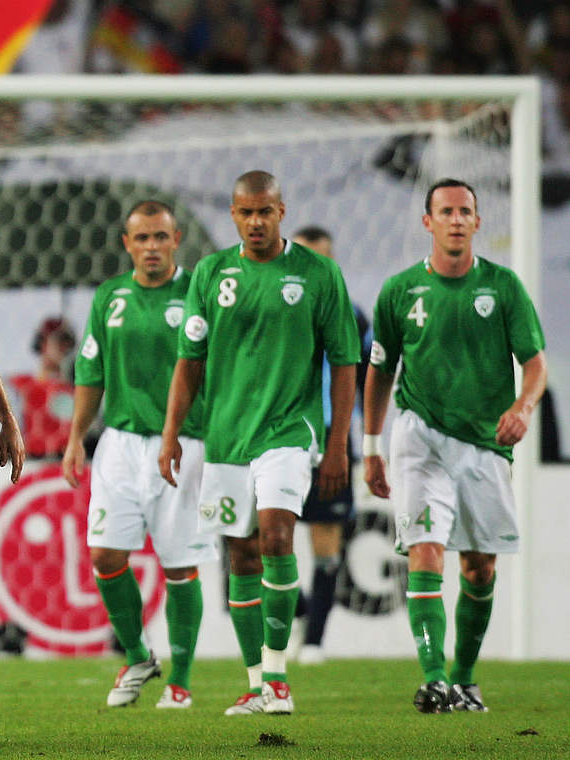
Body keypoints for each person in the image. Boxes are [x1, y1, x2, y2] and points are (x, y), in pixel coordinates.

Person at [159, 170, 360, 716]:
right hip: (225, 438)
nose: (255, 221)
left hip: (290, 433)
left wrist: (338, 442)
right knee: (241, 552)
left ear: (281, 211)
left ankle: (278, 675)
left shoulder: (317, 275)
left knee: (276, 536)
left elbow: (345, 362)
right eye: (245, 212)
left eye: (264, 211)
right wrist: (173, 434)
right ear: (233, 214)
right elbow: (189, 363)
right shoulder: (211, 273)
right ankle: (255, 683)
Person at [362, 179, 546, 714]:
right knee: (425, 550)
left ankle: (465, 680)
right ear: (428, 222)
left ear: (477, 222)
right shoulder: (399, 291)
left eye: (466, 211)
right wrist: (371, 445)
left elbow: (535, 363)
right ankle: (435, 678)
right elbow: (379, 372)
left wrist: (523, 408)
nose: (457, 220)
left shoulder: (504, 286)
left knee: (479, 567)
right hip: (417, 436)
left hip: (484, 443)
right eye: (446, 211)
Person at [63, 200, 216, 709]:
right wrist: (74, 439)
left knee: (178, 564)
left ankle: (183, 679)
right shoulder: (110, 296)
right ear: (127, 244)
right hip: (120, 444)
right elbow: (91, 374)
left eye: (160, 237)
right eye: (142, 238)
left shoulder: (199, 292)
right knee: (105, 554)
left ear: (176, 241)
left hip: (185, 444)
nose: (151, 247)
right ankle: (137, 655)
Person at [290, 226, 370, 665]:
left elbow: (374, 371)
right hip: (279, 434)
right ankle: (299, 609)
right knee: (256, 541)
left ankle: (316, 640)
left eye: (325, 259)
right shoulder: (273, 306)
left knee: (326, 542)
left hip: (331, 435)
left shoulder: (352, 314)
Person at [11, 316, 77, 459]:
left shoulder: (76, 389)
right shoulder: (21, 387)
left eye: (67, 342)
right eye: (58, 341)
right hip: (30, 461)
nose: (63, 348)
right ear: (42, 344)